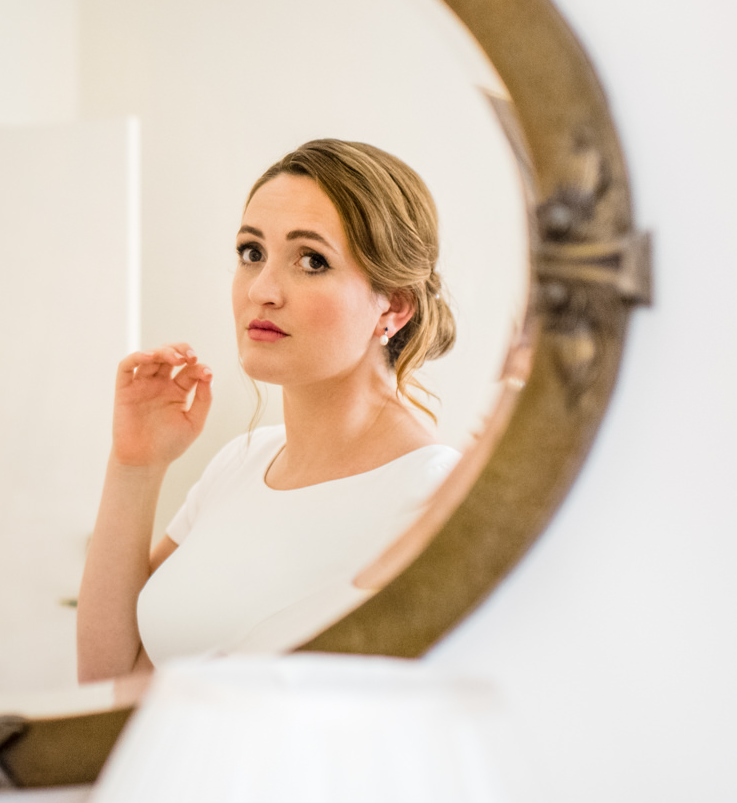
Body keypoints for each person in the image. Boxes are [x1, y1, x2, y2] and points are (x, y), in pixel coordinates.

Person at [76, 139, 461, 688]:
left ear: (393, 306)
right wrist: (135, 466)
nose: (262, 291)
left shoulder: (428, 494)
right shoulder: (242, 462)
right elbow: (112, 674)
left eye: (312, 261)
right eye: (251, 252)